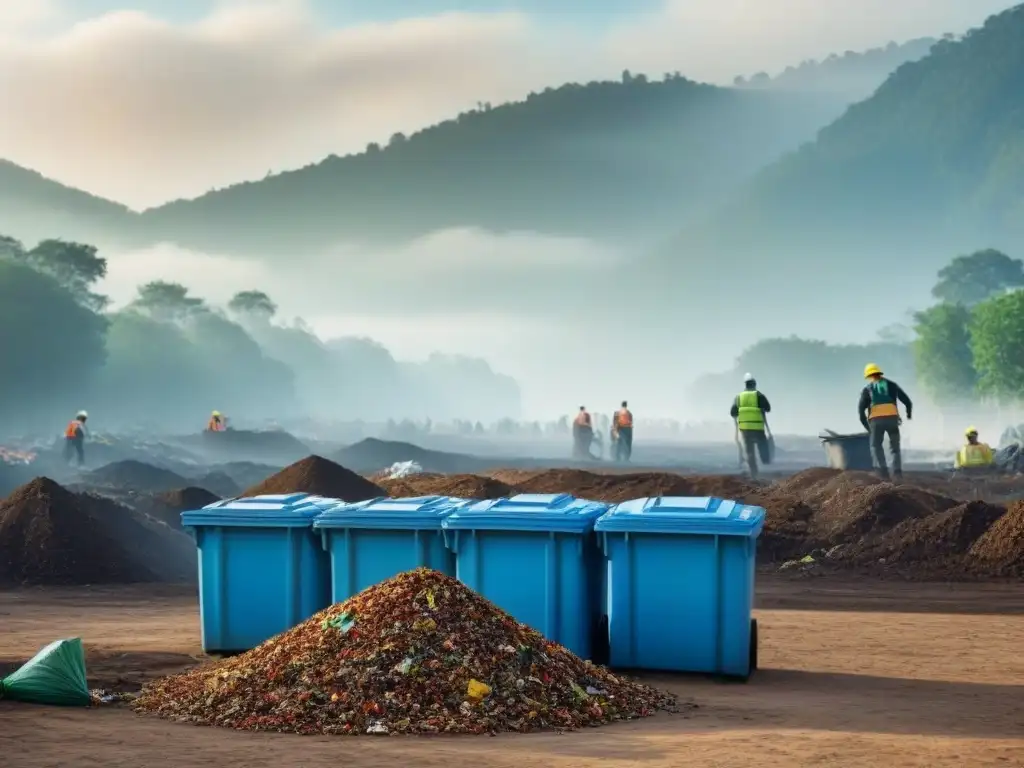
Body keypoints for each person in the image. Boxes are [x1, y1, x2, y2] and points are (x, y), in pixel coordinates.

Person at [858, 363, 913, 482]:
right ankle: (897, 473)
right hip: (892, 420)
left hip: (876, 421)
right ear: (879, 373)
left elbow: (861, 411)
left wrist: (868, 428)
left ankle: (883, 473)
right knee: (895, 447)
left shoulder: (867, 389)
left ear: (869, 376)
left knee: (876, 446)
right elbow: (907, 401)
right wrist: (908, 414)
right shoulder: (892, 385)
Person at [730, 373, 771, 479]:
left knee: (749, 451)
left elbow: (733, 412)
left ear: (745, 385)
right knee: (763, 444)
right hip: (757, 428)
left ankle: (754, 473)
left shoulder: (739, 397)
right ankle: (765, 460)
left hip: (745, 429)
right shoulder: (758, 395)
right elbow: (768, 408)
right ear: (754, 385)